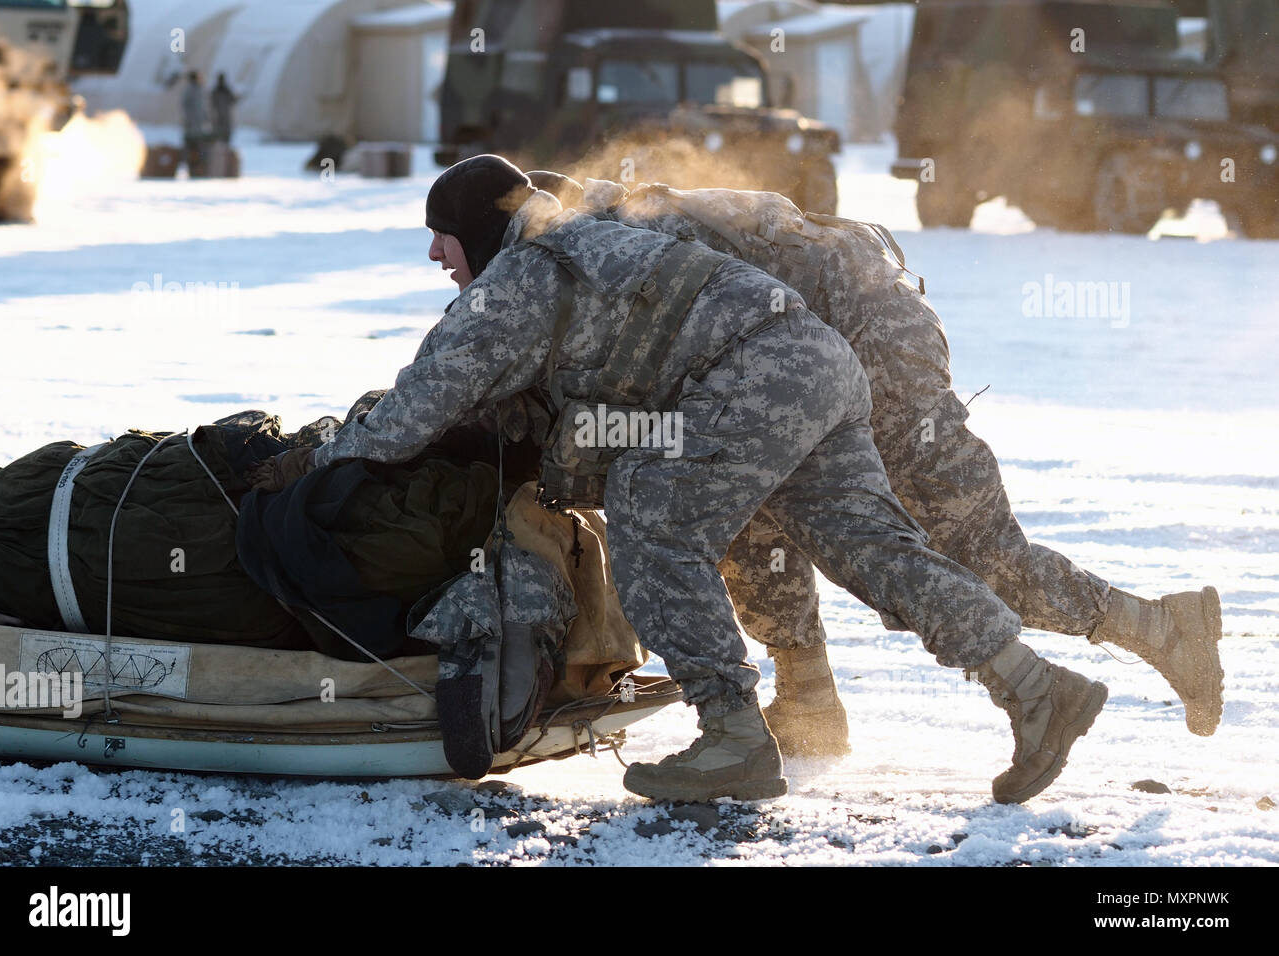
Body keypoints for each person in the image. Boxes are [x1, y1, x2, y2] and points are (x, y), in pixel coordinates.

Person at [254, 155, 1111, 805]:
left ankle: (732, 733)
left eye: (441, 231)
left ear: (478, 225)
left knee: (651, 517)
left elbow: (413, 412)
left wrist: (319, 459)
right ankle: (1036, 690)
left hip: (756, 373)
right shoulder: (583, 240)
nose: (435, 252)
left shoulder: (518, 280)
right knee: (871, 547)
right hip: (816, 361)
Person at [524, 169, 1223, 758]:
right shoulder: (612, 231)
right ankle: (808, 701)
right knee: (747, 507)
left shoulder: (611, 245)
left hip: (871, 333)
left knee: (967, 549)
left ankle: (1159, 627)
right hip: (804, 350)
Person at [180, 71, 208, 174]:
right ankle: (188, 165)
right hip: (191, 123)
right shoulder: (189, 90)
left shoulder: (200, 89)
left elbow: (203, 106)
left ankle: (200, 165)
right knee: (189, 145)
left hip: (199, 123)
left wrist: (205, 118)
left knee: (200, 144)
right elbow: (185, 105)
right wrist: (189, 119)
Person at [209, 73, 238, 145]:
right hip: (219, 116)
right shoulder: (217, 91)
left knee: (224, 136)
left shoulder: (225, 90)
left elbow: (233, 100)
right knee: (219, 135)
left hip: (223, 116)